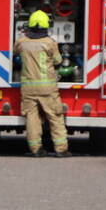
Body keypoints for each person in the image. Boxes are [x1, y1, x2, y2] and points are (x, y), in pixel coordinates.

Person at [15, 10, 69, 157]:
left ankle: (36, 150)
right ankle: (61, 150)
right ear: (46, 26)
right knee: (55, 116)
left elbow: (15, 53)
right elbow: (58, 61)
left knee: (32, 119)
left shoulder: (21, 42)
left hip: (28, 88)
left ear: (30, 25)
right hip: (47, 88)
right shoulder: (50, 43)